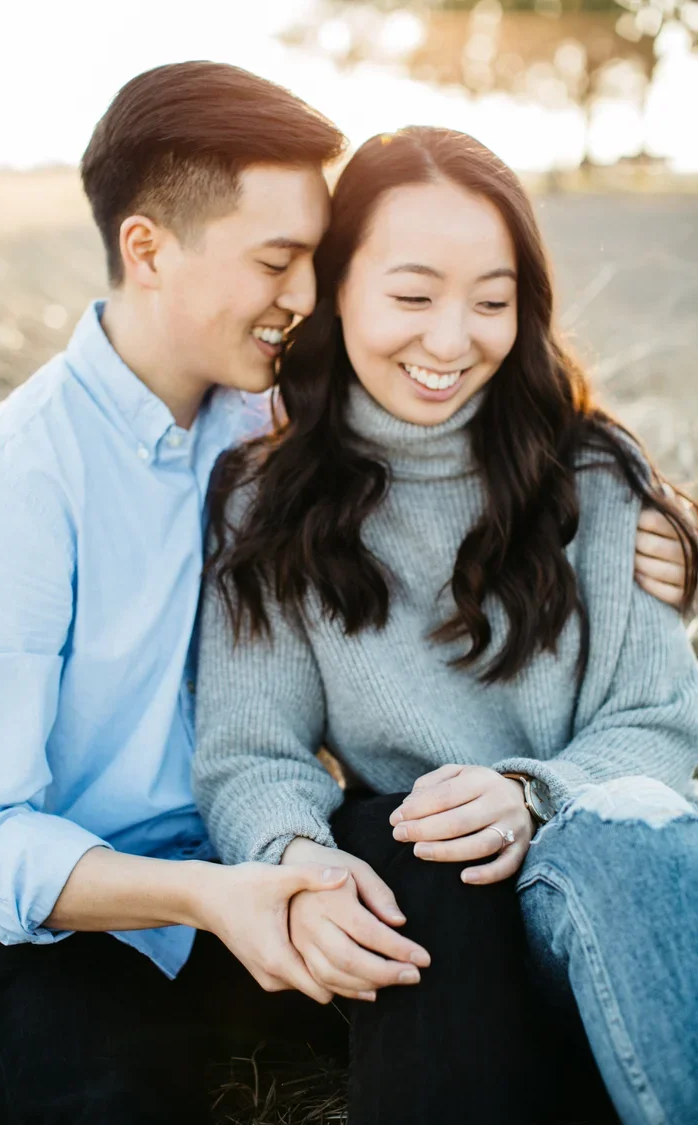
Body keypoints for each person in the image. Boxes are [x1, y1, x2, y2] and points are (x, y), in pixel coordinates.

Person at [194, 126, 698, 1125]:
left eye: (493, 301)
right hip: (422, 899)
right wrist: (294, 858)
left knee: (627, 836)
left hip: (588, 884)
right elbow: (252, 754)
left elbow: (658, 727)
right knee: (413, 844)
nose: (452, 339)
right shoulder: (268, 500)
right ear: (338, 290)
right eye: (413, 296)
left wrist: (529, 793)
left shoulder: (594, 475)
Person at [0, 61, 378, 1125]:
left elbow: (471, 467)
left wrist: (656, 521)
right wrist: (205, 899)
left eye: (314, 262)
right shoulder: (19, 478)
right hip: (58, 926)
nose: (306, 299)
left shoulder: (264, 424)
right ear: (147, 248)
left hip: (251, 856)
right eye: (277, 261)